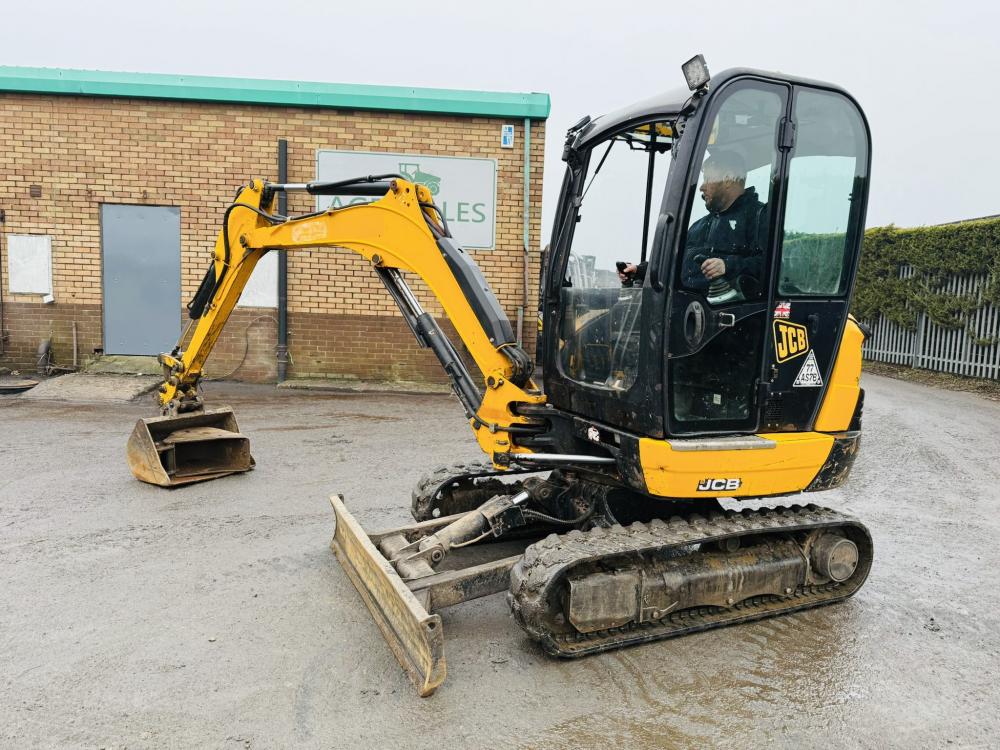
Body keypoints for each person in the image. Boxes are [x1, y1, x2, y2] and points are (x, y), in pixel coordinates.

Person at [618, 150, 768, 295]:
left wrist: (727, 266)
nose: (701, 187)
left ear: (728, 179)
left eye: (708, 179)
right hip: (684, 306)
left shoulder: (760, 217)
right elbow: (674, 261)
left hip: (726, 312)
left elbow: (773, 267)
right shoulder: (700, 226)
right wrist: (639, 270)